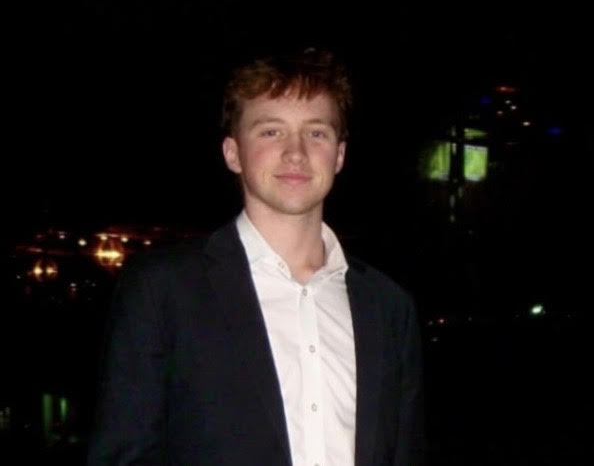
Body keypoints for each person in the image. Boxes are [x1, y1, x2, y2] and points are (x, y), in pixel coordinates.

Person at [87, 49, 425, 466]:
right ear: (233, 153)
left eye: (316, 133)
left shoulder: (389, 308)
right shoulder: (162, 289)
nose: (296, 152)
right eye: (271, 132)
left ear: (339, 155)